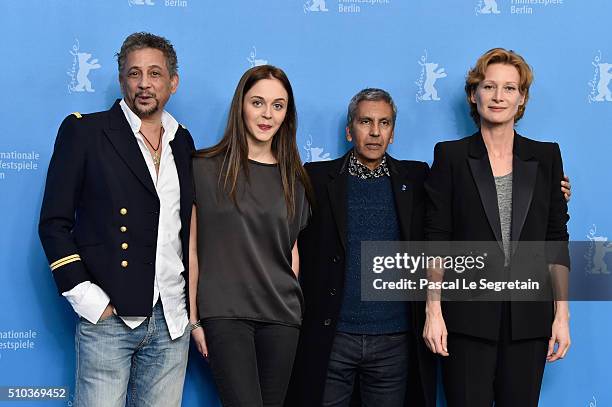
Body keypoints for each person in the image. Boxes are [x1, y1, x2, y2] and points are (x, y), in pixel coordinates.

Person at [38, 32, 195, 407]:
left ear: (172, 82)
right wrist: (89, 299)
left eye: (155, 74)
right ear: (121, 79)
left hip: (172, 320)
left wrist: (192, 311)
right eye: (134, 73)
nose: (144, 84)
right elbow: (53, 223)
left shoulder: (183, 141)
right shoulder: (85, 132)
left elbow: (185, 228)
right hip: (110, 317)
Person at [423, 48, 571, 407]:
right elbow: (437, 238)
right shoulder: (450, 156)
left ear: (522, 99)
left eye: (509, 88)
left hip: (529, 320)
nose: (498, 96)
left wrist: (562, 315)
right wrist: (433, 311)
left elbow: (556, 240)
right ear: (474, 94)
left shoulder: (546, 156)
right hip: (466, 320)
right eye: (489, 87)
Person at [285, 88, 437, 407]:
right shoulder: (316, 178)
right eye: (365, 121)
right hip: (333, 336)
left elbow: (460, 205)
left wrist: (548, 190)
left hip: (394, 339)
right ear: (349, 129)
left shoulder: (417, 177)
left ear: (393, 133)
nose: (375, 132)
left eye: (384, 123)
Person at [189, 65, 312, 407]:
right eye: (258, 102)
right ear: (241, 104)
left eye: (278, 105)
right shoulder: (204, 167)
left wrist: (292, 308)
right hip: (226, 315)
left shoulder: (294, 179)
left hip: (281, 317)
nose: (267, 114)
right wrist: (194, 319)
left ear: (287, 114)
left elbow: (292, 253)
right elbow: (192, 251)